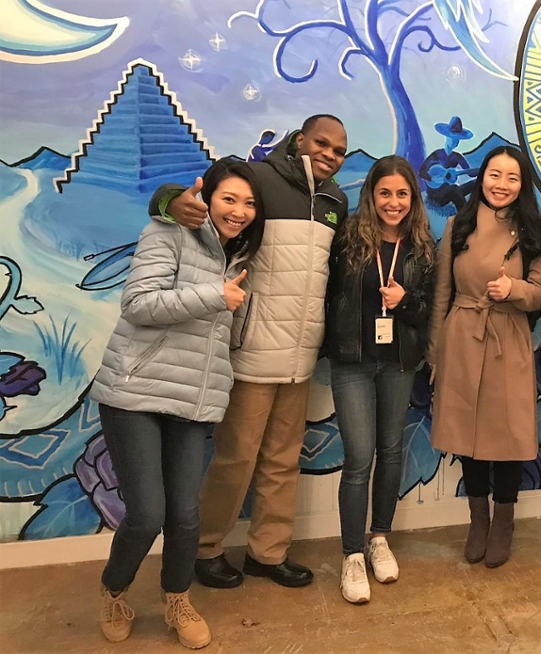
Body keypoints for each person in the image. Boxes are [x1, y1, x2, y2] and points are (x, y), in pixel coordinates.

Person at [148, 115, 349, 589]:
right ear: (301, 140)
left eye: (340, 151)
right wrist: (167, 202)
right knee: (236, 456)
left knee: (283, 458)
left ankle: (268, 552)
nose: (330, 155)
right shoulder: (258, 179)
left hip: (301, 356)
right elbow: (188, 201)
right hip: (253, 350)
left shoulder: (337, 200)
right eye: (322, 143)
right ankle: (206, 548)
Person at [91, 159, 265, 647]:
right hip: (135, 391)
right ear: (204, 197)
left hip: (192, 399)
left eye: (250, 203)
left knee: (186, 514)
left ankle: (176, 598)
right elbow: (138, 304)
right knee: (147, 513)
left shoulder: (239, 256)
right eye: (229, 199)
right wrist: (214, 295)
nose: (240, 211)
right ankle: (113, 590)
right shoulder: (166, 231)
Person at [428, 145, 541, 569]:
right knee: (468, 433)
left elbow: (540, 295)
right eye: (494, 175)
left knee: (508, 434)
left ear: (522, 184)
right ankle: (477, 520)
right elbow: (442, 291)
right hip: (462, 333)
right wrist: (435, 355)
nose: (502, 185)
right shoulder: (458, 225)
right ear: (482, 178)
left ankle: (503, 521)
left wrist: (512, 290)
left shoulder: (534, 232)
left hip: (508, 336)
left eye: (512, 177)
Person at [325, 155, 436, 603]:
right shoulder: (348, 238)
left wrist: (406, 300)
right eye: (385, 193)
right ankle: (351, 555)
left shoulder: (423, 246)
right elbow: (327, 294)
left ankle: (379, 538)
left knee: (391, 452)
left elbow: (429, 312)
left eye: (402, 194)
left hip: (399, 362)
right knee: (358, 457)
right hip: (352, 362)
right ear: (371, 194)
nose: (393, 203)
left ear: (413, 198)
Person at [419, 116, 477, 212]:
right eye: (452, 138)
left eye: (458, 139)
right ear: (446, 137)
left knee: (476, 183)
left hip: (449, 192)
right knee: (454, 189)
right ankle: (465, 217)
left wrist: (483, 169)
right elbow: (421, 172)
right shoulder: (437, 154)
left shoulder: (457, 157)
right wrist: (431, 178)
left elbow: (470, 173)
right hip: (436, 195)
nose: (455, 141)